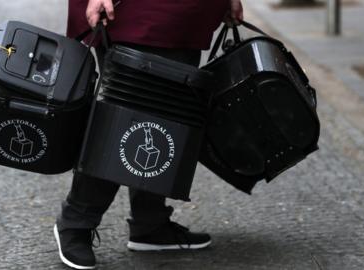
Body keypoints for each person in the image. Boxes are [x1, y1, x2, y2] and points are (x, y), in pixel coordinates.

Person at [54, 0, 244, 269]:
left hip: (188, 16)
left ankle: (150, 223)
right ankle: (76, 223)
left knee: (166, 120)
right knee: (120, 124)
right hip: (132, 11)